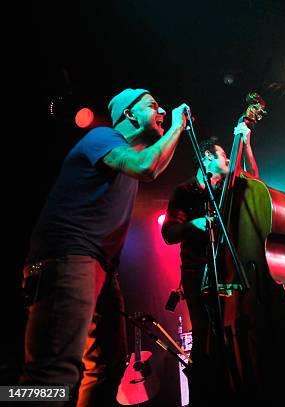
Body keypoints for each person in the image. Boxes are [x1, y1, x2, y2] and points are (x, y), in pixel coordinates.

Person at [20, 88, 188, 406]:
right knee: (51, 376)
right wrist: (179, 126)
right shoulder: (102, 138)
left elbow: (149, 166)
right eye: (153, 105)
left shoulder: (126, 162)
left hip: (98, 269)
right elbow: (148, 167)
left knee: (105, 372)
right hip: (66, 259)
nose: (163, 112)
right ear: (129, 114)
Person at [161, 122, 257, 404]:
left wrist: (246, 144)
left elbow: (254, 179)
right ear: (206, 159)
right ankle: (202, 397)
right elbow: (168, 234)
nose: (228, 159)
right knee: (203, 332)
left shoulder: (227, 187)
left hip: (227, 268)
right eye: (223, 154)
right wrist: (195, 224)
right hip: (196, 271)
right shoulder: (186, 192)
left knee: (238, 327)